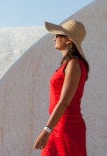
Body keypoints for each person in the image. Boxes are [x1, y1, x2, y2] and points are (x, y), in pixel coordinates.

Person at [34, 20, 90, 155]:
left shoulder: (74, 64)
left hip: (68, 128)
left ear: (68, 40)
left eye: (58, 35)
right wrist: (50, 129)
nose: (54, 38)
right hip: (57, 126)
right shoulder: (67, 64)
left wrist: (46, 130)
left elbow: (64, 101)